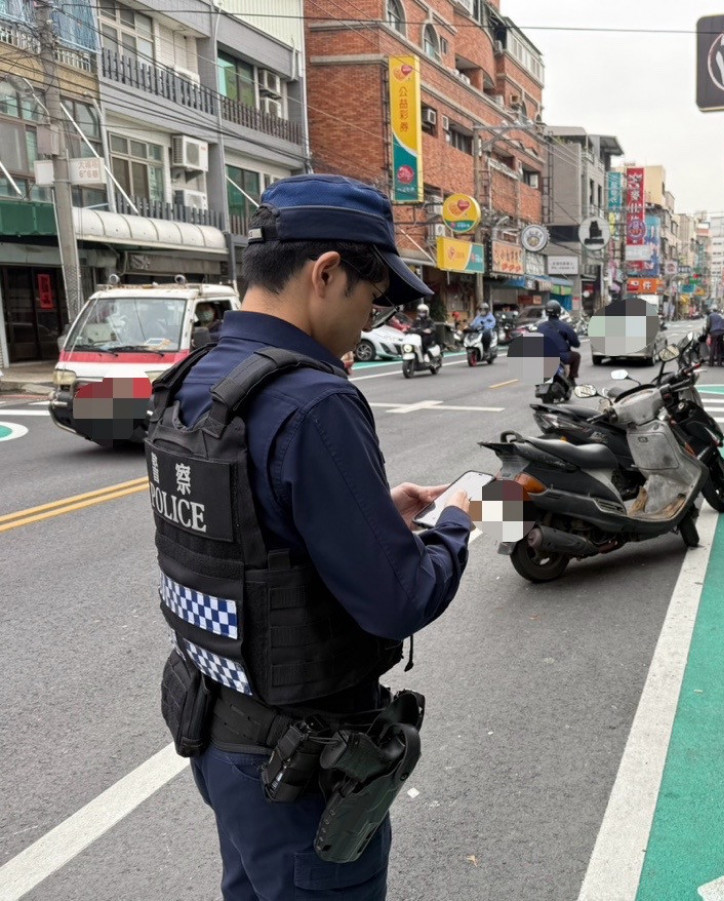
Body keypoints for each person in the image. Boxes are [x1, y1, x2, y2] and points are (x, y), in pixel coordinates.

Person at [146, 174, 472, 900]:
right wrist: (455, 522)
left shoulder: (195, 379)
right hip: (302, 772)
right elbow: (399, 599)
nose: (373, 318)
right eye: (374, 295)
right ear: (326, 273)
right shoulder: (315, 400)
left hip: (219, 737)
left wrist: (371, 511)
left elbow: (243, 537)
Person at [536, 299, 581, 381]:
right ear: (559, 312)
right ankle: (572, 378)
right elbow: (576, 343)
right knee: (577, 356)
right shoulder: (565, 326)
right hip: (562, 356)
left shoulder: (540, 326)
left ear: (546, 312)